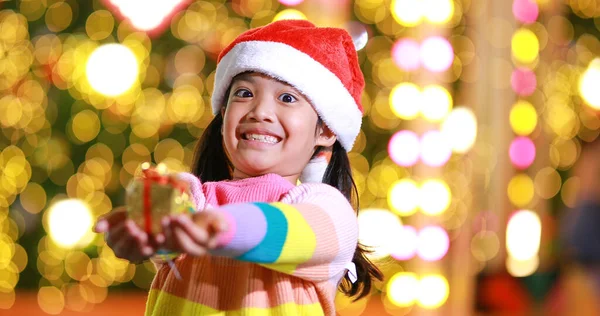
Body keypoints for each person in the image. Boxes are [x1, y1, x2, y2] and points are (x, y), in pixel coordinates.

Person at [94, 19, 383, 315]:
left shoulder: (328, 212)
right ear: (223, 119)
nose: (260, 111)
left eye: (287, 98)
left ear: (325, 130)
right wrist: (143, 229)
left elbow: (291, 232)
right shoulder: (193, 199)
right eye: (244, 93)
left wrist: (219, 227)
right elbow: (166, 219)